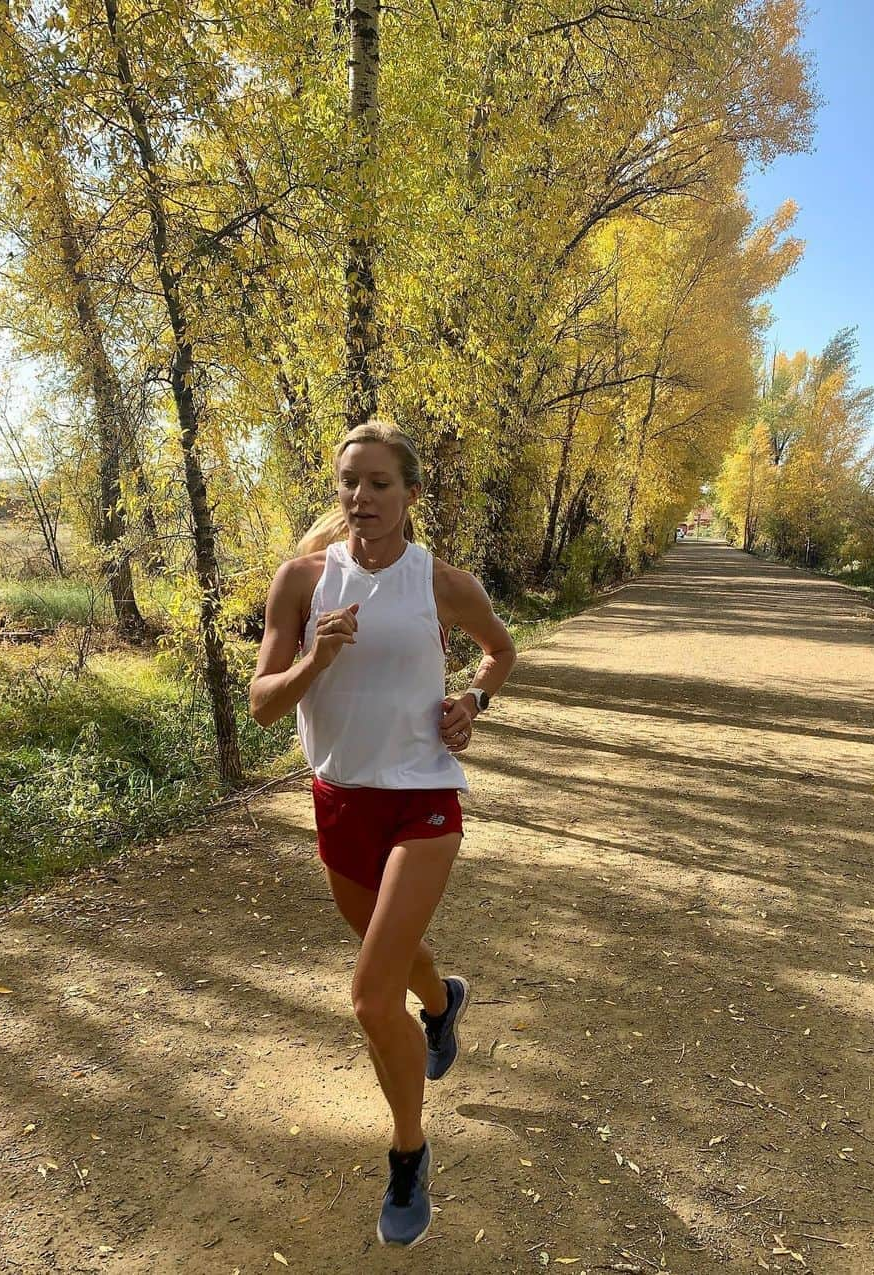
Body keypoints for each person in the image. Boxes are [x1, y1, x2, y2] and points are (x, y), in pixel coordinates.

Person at [248, 420, 516, 1248]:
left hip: (424, 797)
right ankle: (443, 1003)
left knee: (369, 992)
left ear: (410, 495)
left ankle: (409, 1153)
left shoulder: (440, 582)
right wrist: (315, 661)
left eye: (377, 484)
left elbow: (499, 652)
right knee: (391, 957)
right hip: (340, 801)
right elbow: (263, 703)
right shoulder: (301, 581)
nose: (360, 498)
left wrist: (472, 701)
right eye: (348, 483)